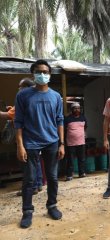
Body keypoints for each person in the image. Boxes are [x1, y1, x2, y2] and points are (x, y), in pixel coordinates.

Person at [15, 60, 65, 228]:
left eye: (45, 72)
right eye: (38, 71)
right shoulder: (23, 95)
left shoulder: (56, 96)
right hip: (30, 143)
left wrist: (62, 143)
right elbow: (18, 122)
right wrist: (20, 145)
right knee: (29, 179)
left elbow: (60, 120)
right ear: (33, 74)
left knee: (52, 177)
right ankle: (27, 211)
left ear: (50, 75)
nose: (42, 74)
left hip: (52, 142)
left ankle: (52, 205)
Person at [0, 79, 44, 196]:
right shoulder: (36, 99)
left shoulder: (23, 101)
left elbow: (7, 115)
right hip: (36, 136)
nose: (18, 89)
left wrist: (8, 112)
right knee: (36, 161)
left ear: (26, 88)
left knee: (27, 164)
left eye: (20, 87)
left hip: (25, 138)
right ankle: (38, 184)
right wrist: (12, 109)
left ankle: (32, 187)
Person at [64, 102, 87, 181]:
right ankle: (69, 175)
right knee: (70, 159)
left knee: (82, 159)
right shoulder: (67, 119)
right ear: (72, 109)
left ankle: (82, 173)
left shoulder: (83, 118)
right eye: (75, 108)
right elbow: (64, 130)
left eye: (78, 108)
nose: (77, 110)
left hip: (81, 142)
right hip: (70, 143)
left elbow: (85, 127)